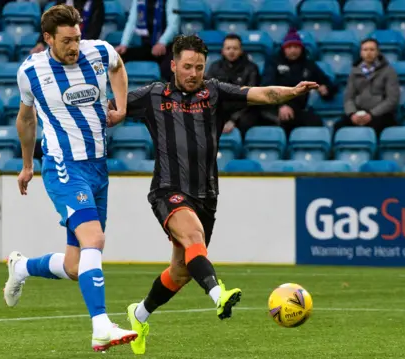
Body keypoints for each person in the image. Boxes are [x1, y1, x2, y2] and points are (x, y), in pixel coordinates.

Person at [107, 34, 318, 355]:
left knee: (180, 271)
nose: (194, 73)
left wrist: (292, 91)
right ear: (174, 65)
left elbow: (260, 94)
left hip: (206, 195)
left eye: (200, 67)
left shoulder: (215, 92)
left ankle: (139, 314)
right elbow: (112, 106)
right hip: (168, 190)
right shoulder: (152, 95)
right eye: (188, 66)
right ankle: (218, 294)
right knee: (193, 237)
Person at [2, 5, 137, 352]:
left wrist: (120, 107)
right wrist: (28, 165)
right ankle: (101, 326)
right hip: (64, 167)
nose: (74, 46)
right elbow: (26, 119)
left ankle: (21, 268)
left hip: (97, 168)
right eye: (66, 41)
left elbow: (118, 67)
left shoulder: (99, 51)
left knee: (77, 266)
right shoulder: (31, 71)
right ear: (48, 38)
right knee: (95, 239)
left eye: (77, 37)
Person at [261, 28, 336, 137]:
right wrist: (280, 106)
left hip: (298, 109)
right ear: (284, 49)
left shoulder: (308, 64)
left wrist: (326, 89)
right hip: (273, 108)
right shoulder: (273, 63)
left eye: (296, 47)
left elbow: (326, 82)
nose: (293, 50)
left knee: (315, 122)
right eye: (289, 47)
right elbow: (267, 87)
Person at [334, 38, 399, 137]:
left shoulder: (389, 71)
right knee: (339, 126)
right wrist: (352, 114)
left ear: (377, 52)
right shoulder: (354, 72)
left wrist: (372, 114)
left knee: (376, 128)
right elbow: (348, 98)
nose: (368, 53)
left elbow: (392, 99)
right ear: (361, 52)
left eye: (372, 50)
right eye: (365, 50)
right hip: (358, 113)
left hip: (380, 114)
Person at [205, 33, 262, 136]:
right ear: (223, 51)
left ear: (241, 50)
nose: (231, 51)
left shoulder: (251, 68)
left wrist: (233, 120)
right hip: (221, 110)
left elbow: (251, 98)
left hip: (244, 112)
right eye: (228, 48)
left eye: (235, 48)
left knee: (246, 122)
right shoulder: (214, 67)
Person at [116, 0, 179, 81]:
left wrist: (162, 42)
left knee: (169, 67)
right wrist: (124, 44)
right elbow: (131, 22)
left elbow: (173, 26)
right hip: (148, 46)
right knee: (119, 59)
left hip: (168, 47)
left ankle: (169, 92)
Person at [31, 0, 105, 54]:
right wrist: (40, 42)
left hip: (86, 47)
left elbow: (95, 31)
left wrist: (78, 47)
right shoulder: (61, 2)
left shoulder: (97, 3)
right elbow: (50, 22)